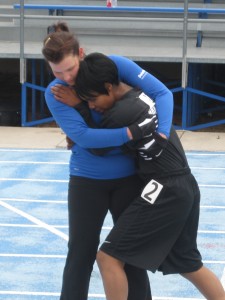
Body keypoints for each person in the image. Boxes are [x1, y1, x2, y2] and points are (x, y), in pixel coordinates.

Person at [73, 52, 225, 300]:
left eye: (92, 99)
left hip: (165, 187)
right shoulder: (139, 96)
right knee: (188, 263)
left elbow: (96, 147)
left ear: (108, 87)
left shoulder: (121, 112)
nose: (92, 105)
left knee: (108, 258)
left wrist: (78, 107)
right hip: (186, 183)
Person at [42, 22, 173, 300]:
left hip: (128, 179)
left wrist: (161, 133)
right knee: (80, 254)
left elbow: (163, 93)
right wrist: (131, 132)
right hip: (86, 181)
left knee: (130, 254)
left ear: (81, 53)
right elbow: (85, 138)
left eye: (70, 69)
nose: (66, 77)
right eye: (58, 72)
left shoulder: (112, 66)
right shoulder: (56, 92)